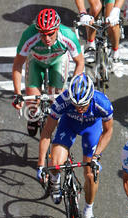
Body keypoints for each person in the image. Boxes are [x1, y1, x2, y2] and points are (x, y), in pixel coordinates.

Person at [37, 73, 113, 218]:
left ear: (91, 98)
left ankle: (88, 211)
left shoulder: (102, 103)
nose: (79, 108)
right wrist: (41, 164)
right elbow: (47, 133)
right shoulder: (62, 101)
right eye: (75, 104)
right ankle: (55, 182)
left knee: (91, 175)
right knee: (56, 162)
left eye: (83, 105)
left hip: (91, 129)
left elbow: (108, 132)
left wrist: (96, 157)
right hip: (69, 125)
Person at [12, 8, 85, 136]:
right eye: (42, 34)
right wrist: (17, 93)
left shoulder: (68, 35)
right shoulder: (29, 35)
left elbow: (80, 62)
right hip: (36, 61)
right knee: (32, 102)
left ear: (57, 29)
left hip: (57, 61)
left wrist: (73, 87)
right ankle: (33, 117)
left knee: (57, 99)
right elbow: (17, 65)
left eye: (50, 34)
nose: (46, 38)